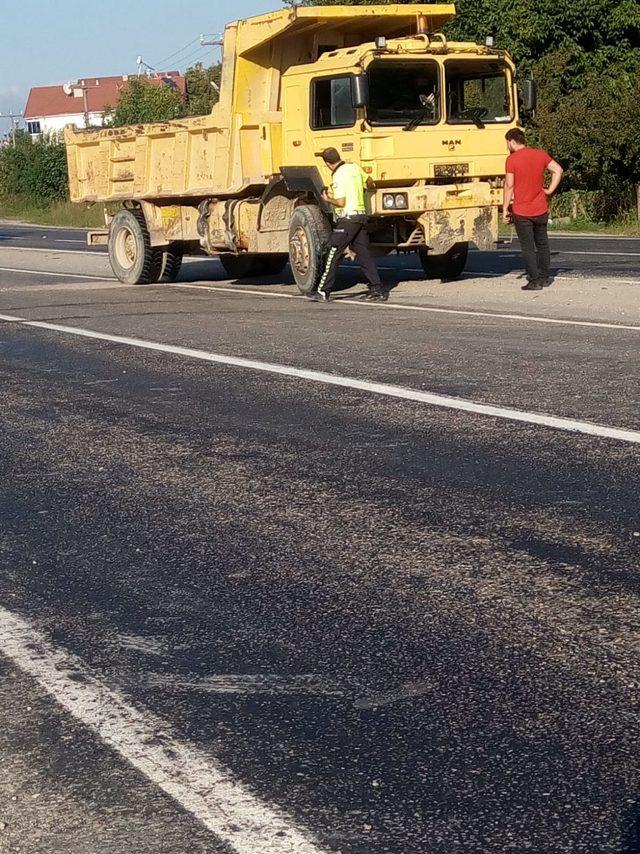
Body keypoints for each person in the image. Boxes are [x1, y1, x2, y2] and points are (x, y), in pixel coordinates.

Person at [307, 147, 387, 303]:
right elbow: (370, 182)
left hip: (348, 218)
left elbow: (341, 202)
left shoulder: (338, 175)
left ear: (328, 164)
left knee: (333, 250)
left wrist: (327, 199)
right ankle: (377, 289)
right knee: (364, 255)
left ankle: (323, 291)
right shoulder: (354, 167)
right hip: (360, 216)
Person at [502, 128, 564, 291]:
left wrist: (505, 208)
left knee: (528, 247)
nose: (508, 146)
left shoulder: (512, 159)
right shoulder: (540, 154)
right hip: (540, 208)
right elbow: (558, 170)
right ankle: (545, 277)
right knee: (543, 244)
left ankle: (534, 280)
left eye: (507, 143)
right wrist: (549, 190)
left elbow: (509, 185)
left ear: (512, 142)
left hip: (522, 210)